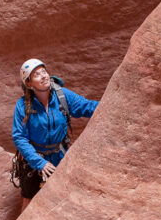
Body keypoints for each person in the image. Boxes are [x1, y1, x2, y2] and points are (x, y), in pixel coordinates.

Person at [11, 58, 98, 211]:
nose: (44, 76)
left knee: (64, 197)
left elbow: (86, 107)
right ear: (29, 83)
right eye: (37, 74)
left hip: (59, 155)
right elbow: (20, 137)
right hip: (33, 160)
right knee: (29, 200)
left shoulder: (62, 96)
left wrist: (113, 103)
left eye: (44, 72)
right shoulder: (23, 105)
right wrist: (39, 163)